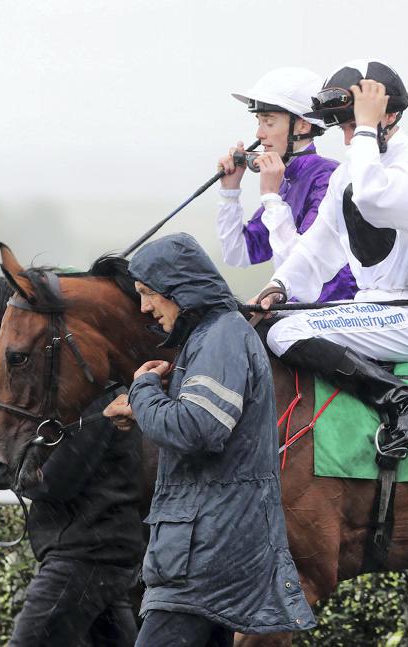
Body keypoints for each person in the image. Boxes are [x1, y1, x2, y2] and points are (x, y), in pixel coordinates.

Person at [103, 233, 315, 647]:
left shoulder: (221, 338)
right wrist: (143, 410)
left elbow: (196, 429)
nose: (144, 307)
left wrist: (143, 391)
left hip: (203, 555)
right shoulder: (213, 336)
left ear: (178, 289)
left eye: (147, 293)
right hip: (207, 547)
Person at [255, 59, 408, 459]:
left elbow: (373, 199)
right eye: (345, 129)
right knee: (270, 324)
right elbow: (316, 247)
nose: (348, 139)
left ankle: (404, 403)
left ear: (388, 116)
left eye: (352, 127)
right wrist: (279, 286)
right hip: (371, 308)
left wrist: (365, 128)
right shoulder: (347, 173)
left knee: (284, 334)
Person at [0, 389, 143, 647]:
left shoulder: (92, 400)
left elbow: (53, 482)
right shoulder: (101, 396)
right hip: (100, 554)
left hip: (82, 558)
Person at [216, 67, 356, 302]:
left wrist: (271, 198)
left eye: (269, 123)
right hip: (295, 310)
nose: (259, 134)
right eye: (259, 122)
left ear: (302, 126)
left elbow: (302, 270)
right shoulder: (285, 180)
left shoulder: (327, 177)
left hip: (331, 311)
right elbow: (237, 253)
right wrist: (230, 192)